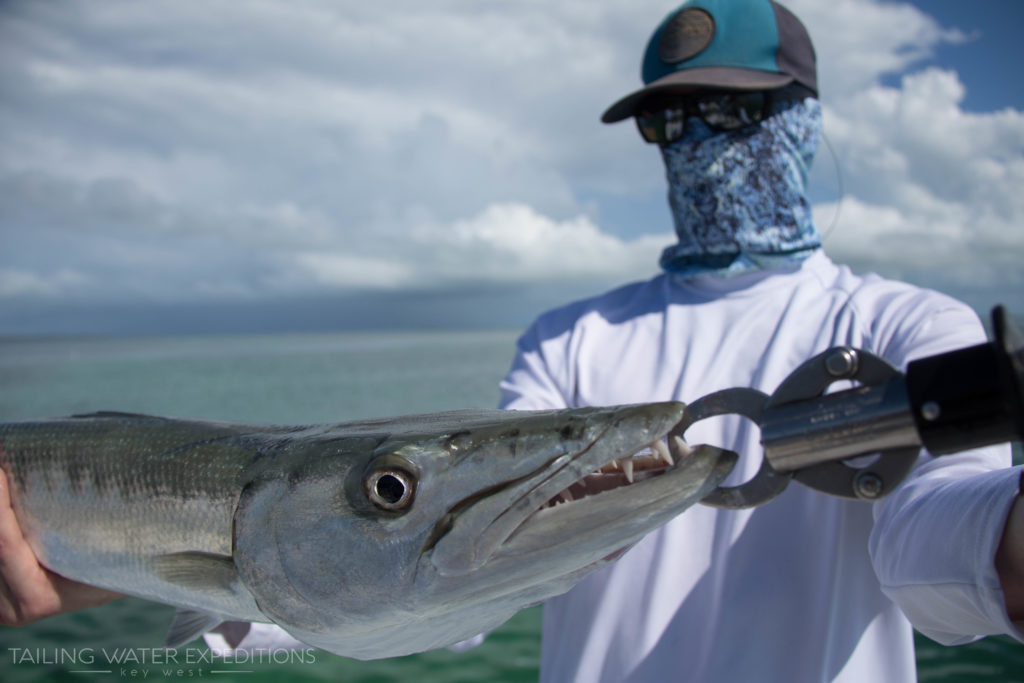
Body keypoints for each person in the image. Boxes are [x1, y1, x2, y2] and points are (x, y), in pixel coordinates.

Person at [2, 1, 1023, 681]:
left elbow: (934, 551)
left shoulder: (902, 326)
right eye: (669, 121)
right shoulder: (571, 336)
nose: (698, 142)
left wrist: (1006, 535)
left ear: (801, 116)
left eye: (730, 109)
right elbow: (461, 587)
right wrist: (148, 566)